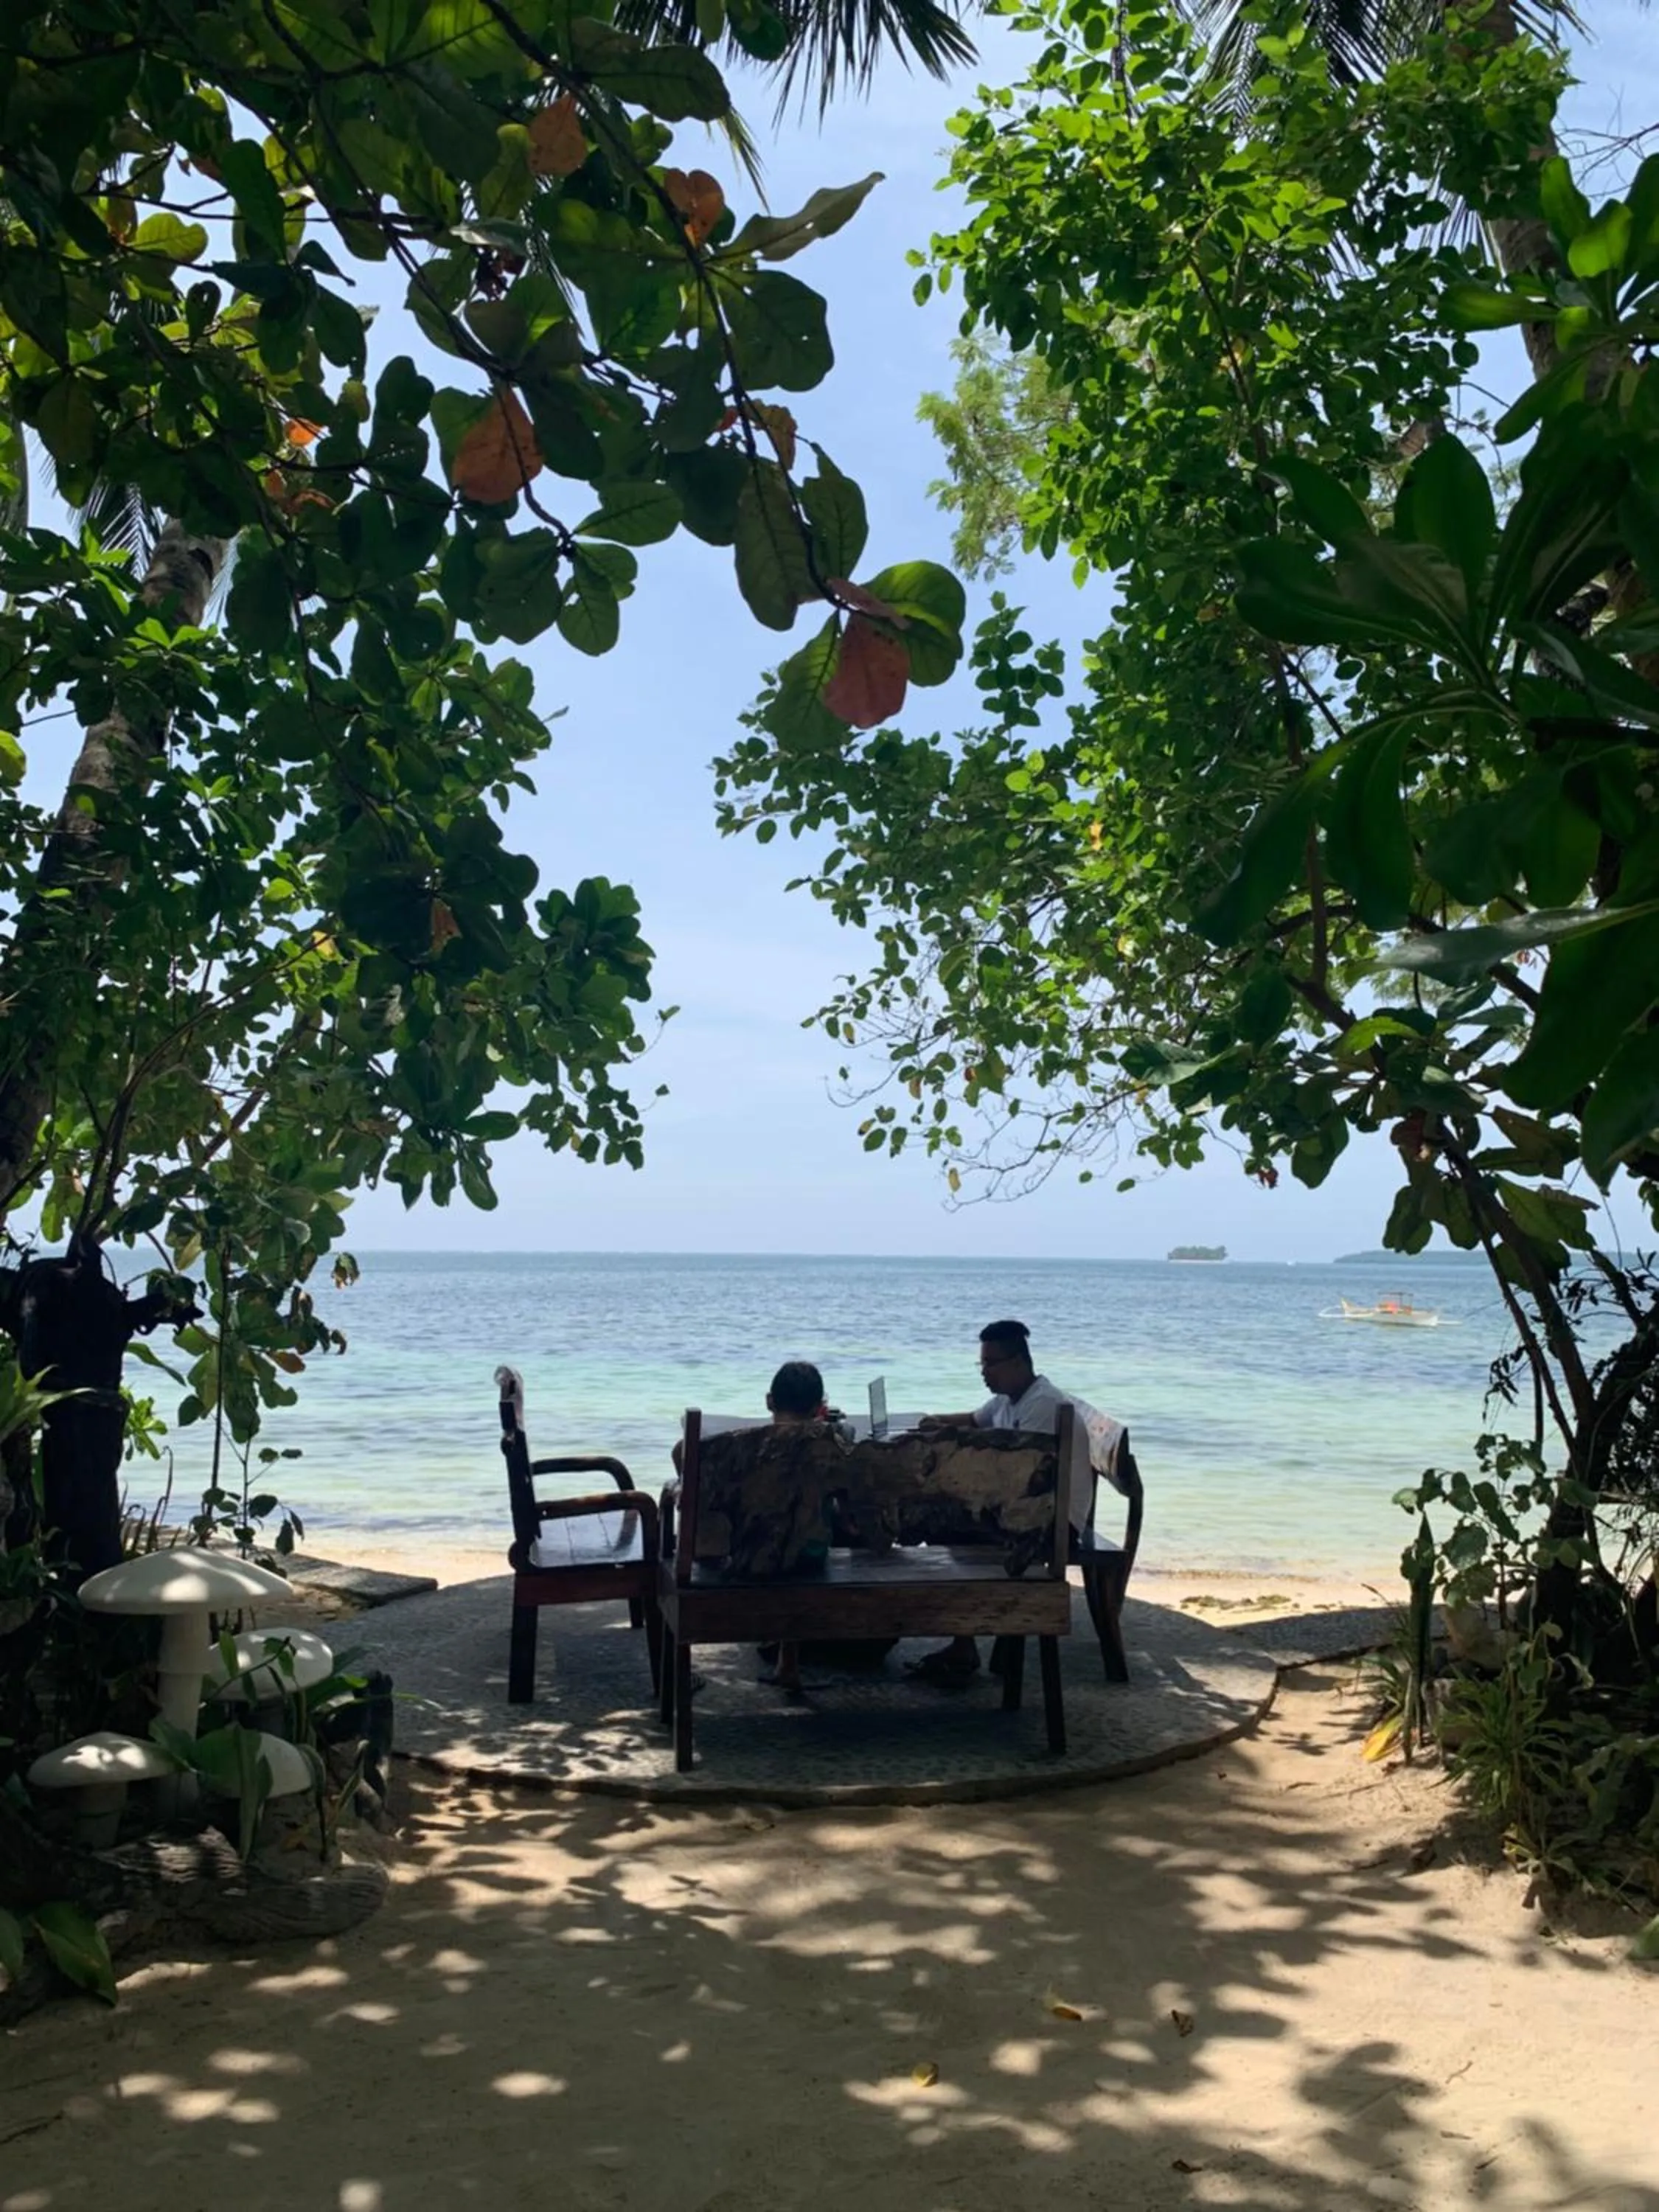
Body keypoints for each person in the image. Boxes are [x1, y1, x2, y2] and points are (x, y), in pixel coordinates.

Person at [910, 1319, 1124, 1685]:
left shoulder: (1042, 1406)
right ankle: (968, 1637)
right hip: (1031, 1512)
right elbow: (975, 1420)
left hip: (1052, 1526)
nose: (984, 1372)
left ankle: (970, 1637)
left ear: (1018, 1363)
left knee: (940, 1527)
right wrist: (933, 1423)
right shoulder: (1011, 1398)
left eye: (990, 1364)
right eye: (982, 1364)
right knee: (939, 1524)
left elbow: (1015, 1481)